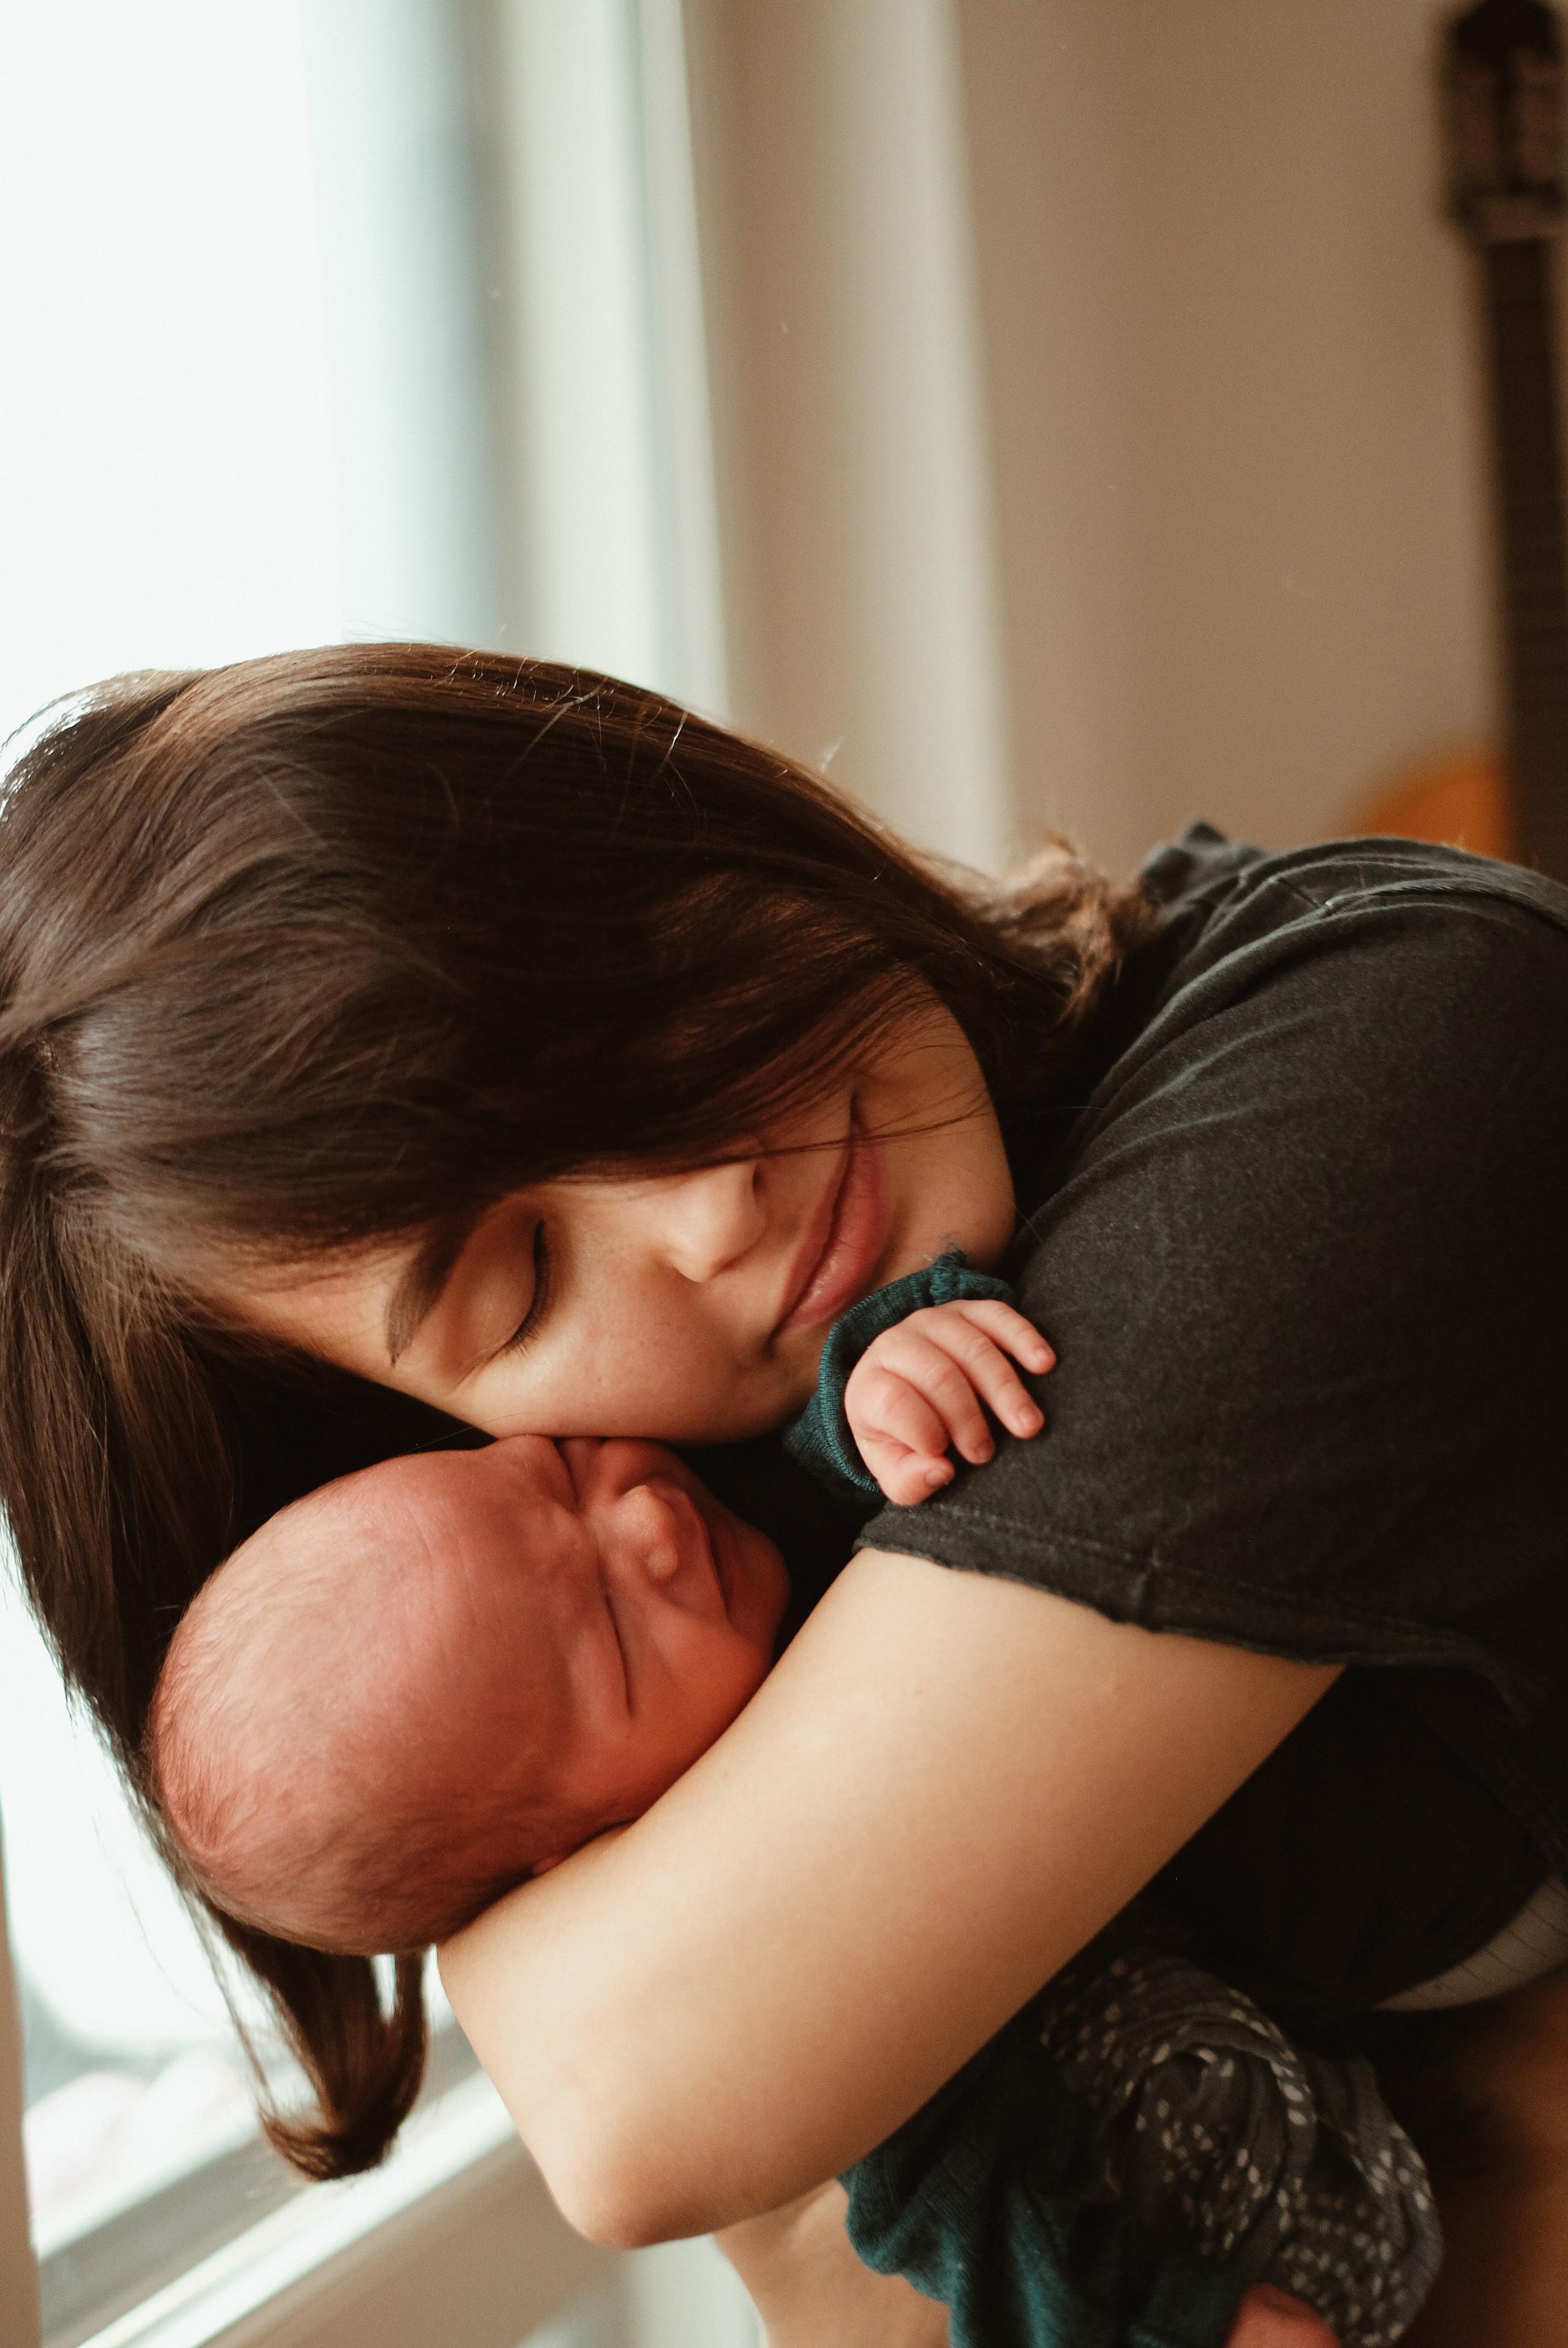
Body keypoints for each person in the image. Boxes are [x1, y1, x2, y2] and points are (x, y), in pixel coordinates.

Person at [1, 644, 1565, 2341]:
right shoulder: (715, 1546)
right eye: (522, 1286)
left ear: (672, 815)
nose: (706, 1215)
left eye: (614, 1008)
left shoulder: (1393, 1042)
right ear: (430, 1445)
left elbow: (632, 2094)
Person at [152, 1433, 1413, 2342]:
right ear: (596, 1845)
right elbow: (974, 2236)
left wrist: (889, 1362)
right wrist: (1190, 2328)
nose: (644, 1518)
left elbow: (831, 1437)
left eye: (550, 1472)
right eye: (603, 1623)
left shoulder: (726, 1515)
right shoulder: (782, 1978)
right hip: (1287, 2214)